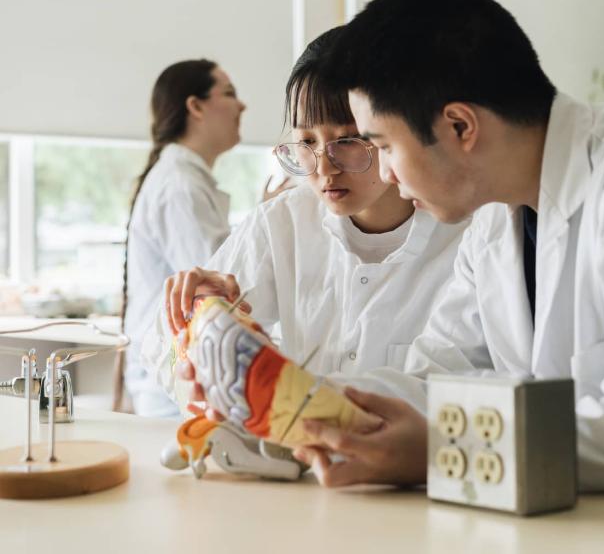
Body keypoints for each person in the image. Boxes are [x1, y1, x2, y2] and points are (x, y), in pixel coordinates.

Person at [292, 0, 604, 493]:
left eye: (385, 146)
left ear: (460, 126)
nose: (387, 174)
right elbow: (436, 375)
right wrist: (291, 400)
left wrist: (448, 450)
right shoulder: (494, 218)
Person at [142, 28, 467, 412]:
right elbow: (161, 350)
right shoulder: (284, 222)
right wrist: (200, 343)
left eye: (347, 140)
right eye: (307, 142)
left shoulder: (467, 235)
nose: (325, 167)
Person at [119, 59, 245, 417]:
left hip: (177, 375)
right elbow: (219, 284)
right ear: (196, 106)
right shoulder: (179, 187)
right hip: (173, 383)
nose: (242, 106)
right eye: (230, 94)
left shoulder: (183, 179)